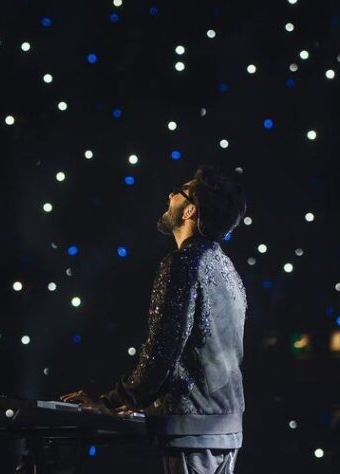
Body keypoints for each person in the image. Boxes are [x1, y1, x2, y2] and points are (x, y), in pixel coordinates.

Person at [62, 165, 248, 474]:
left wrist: (113, 402)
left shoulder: (183, 263)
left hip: (193, 432)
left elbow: (164, 347)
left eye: (180, 191)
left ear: (190, 210)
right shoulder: (228, 269)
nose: (170, 195)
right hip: (226, 429)